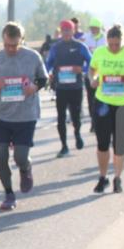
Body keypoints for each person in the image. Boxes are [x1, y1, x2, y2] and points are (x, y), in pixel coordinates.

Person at [0, 22, 48, 211]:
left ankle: (25, 169)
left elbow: (44, 78)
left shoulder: (32, 57)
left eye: (15, 45)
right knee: (0, 156)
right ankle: (9, 194)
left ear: (22, 41)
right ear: (3, 40)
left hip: (25, 115)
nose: (11, 48)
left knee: (20, 156)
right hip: (1, 116)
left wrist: (34, 87)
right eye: (7, 44)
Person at [88, 25, 124, 194]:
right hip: (103, 102)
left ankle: (117, 178)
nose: (113, 48)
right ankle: (103, 177)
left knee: (119, 144)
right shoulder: (100, 53)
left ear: (123, 41)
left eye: (117, 44)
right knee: (102, 144)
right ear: (107, 41)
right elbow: (92, 70)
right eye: (111, 44)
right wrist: (93, 79)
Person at [45, 20, 92, 156]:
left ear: (73, 31)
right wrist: (49, 73)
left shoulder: (80, 46)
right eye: (64, 30)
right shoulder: (56, 47)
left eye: (68, 30)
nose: (66, 32)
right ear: (61, 31)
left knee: (76, 116)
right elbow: (48, 64)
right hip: (61, 88)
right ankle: (64, 145)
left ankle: (77, 133)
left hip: (76, 87)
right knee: (61, 117)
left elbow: (92, 62)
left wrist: (81, 69)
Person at [82, 17, 106, 132]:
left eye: (95, 28)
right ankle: (93, 122)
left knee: (103, 99)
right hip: (90, 72)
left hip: (104, 73)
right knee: (91, 99)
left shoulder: (106, 39)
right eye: (92, 28)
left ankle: (103, 120)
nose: (93, 30)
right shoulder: (85, 38)